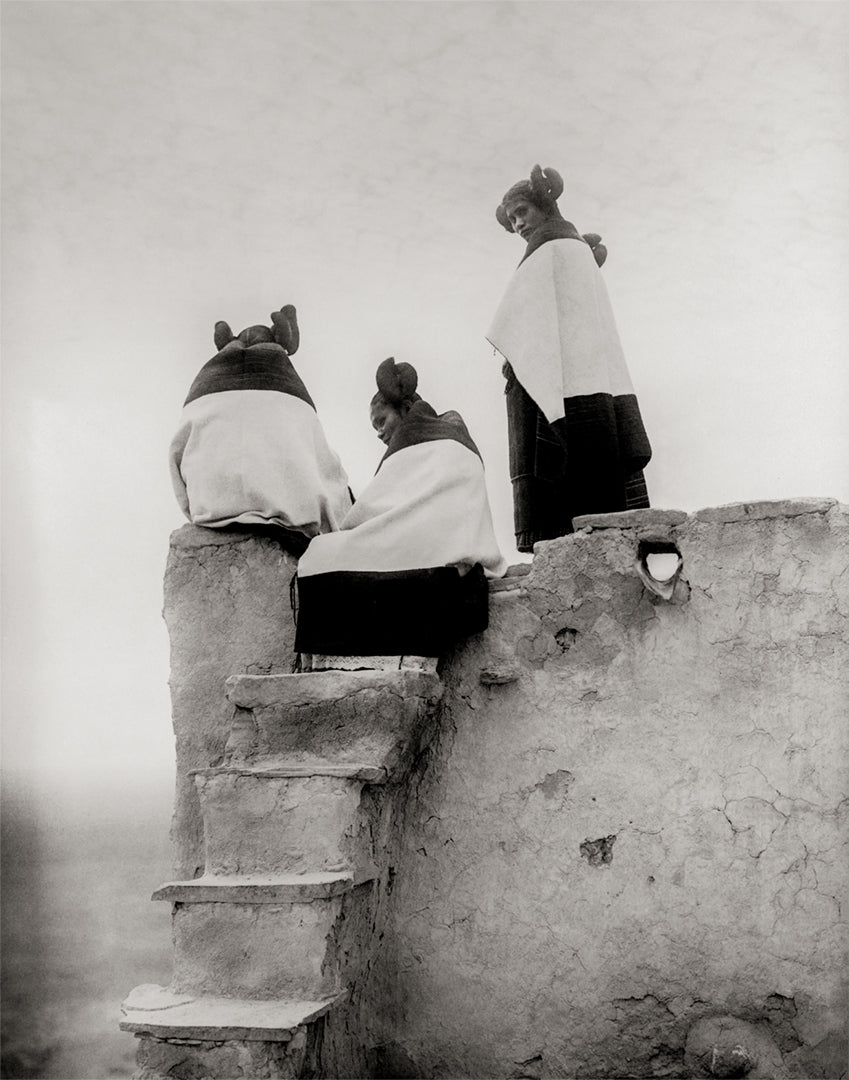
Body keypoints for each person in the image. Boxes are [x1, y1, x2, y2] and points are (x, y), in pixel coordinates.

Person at [487, 165, 652, 553]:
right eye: (512, 219)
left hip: (564, 384)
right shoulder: (575, 251)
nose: (518, 224)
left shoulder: (549, 250)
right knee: (597, 483)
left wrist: (517, 358)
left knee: (566, 483)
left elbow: (524, 323)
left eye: (522, 212)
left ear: (543, 206)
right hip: (591, 381)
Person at [295, 358, 507, 657]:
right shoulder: (455, 436)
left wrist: (346, 534)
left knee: (320, 554)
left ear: (405, 409)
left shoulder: (411, 447)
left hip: (430, 553)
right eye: (375, 428)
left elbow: (367, 516)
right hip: (456, 559)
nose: (379, 433)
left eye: (382, 421)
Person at [169, 304, 352, 556]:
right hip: (288, 524)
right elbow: (326, 472)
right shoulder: (292, 400)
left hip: (210, 511)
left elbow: (177, 459)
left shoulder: (201, 397)